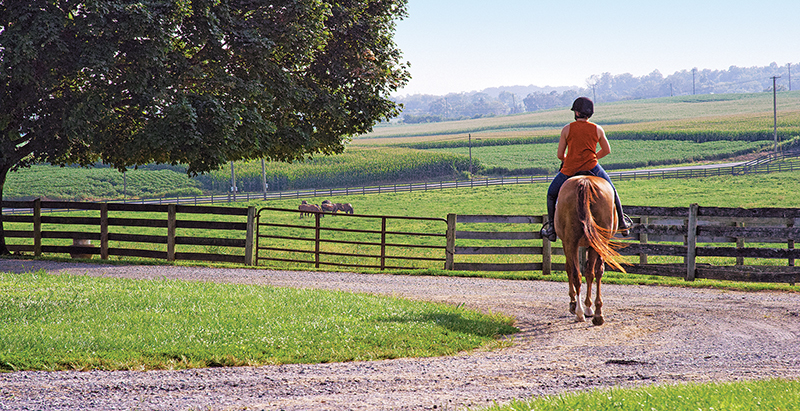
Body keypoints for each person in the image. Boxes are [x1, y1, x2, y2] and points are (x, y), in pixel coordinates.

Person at [540, 97, 632, 242]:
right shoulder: (597, 129)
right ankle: (622, 223)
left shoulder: (567, 129)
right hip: (592, 167)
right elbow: (607, 150)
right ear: (590, 113)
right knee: (612, 190)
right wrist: (592, 157)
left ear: (576, 112)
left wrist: (569, 159)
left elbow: (559, 155)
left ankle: (551, 229)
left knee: (551, 194)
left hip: (570, 169)